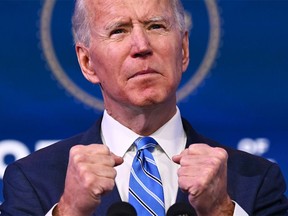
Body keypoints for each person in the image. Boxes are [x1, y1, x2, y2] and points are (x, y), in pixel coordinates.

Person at [1, 0, 288, 215]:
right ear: (88, 63)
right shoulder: (32, 180)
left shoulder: (256, 179)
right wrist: (69, 210)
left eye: (156, 26)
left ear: (184, 50)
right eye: (119, 31)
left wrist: (223, 210)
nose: (141, 45)